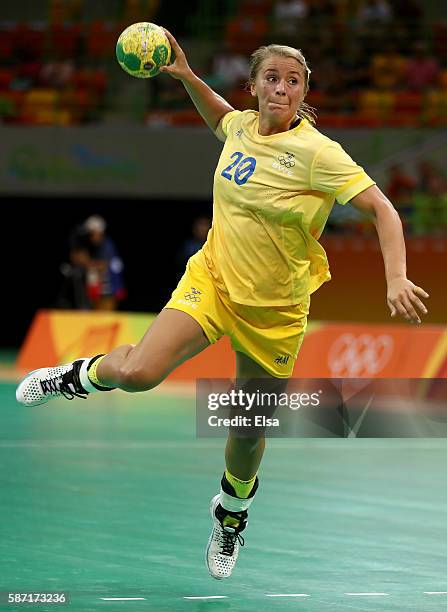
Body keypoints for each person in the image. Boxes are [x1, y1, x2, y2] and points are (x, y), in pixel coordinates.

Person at [16, 31, 429, 580]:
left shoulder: (318, 153)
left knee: (247, 428)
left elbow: (383, 210)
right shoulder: (239, 127)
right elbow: (220, 117)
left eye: (293, 81)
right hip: (212, 282)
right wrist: (187, 76)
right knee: (139, 372)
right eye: (272, 78)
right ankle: (78, 375)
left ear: (304, 92)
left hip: (277, 312)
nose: (281, 88)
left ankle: (231, 513)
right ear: (255, 86)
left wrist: (395, 276)